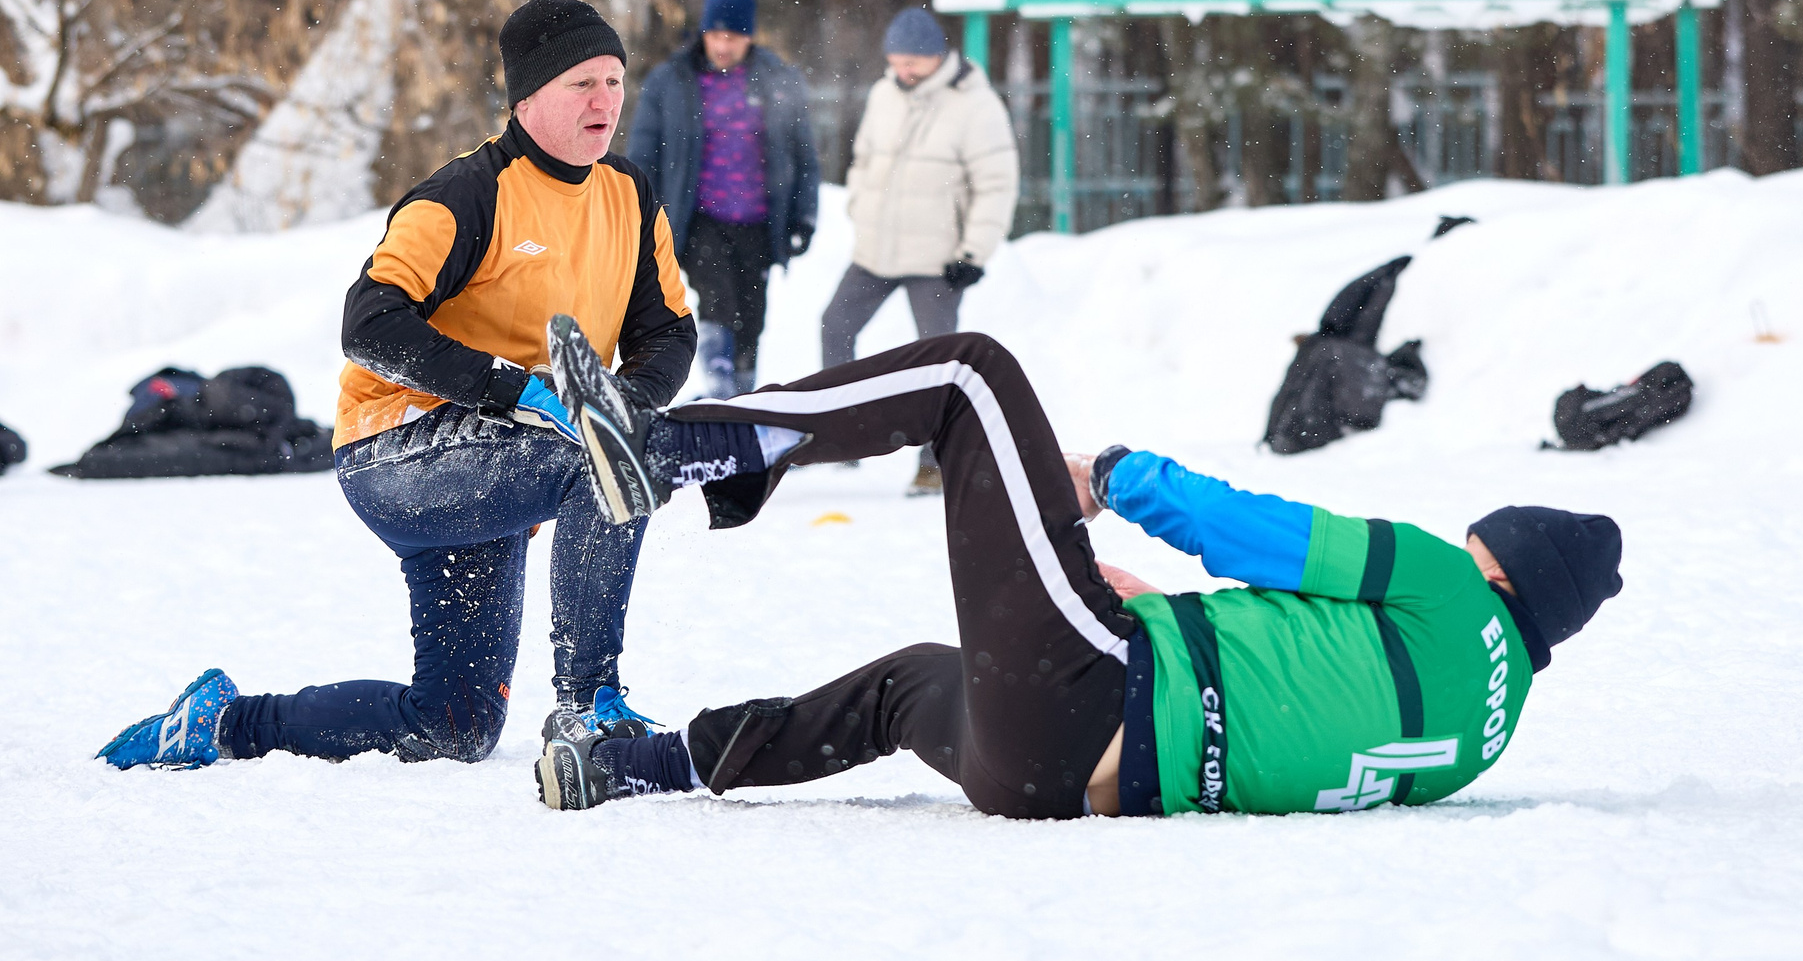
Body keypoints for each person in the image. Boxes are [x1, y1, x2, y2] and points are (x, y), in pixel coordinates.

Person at [523, 326, 1623, 819]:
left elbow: (1261, 535)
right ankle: (639, 768)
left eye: (1483, 541)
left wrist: (1119, 476)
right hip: (1052, 780)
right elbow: (1302, 707)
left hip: (1096, 689)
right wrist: (1166, 618)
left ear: (1506, 568)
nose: (1467, 547)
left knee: (969, 375)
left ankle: (682, 449)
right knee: (907, 683)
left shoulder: (1448, 585)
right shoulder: (1483, 734)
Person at [95, 0, 782, 773]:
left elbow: (669, 332)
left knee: (454, 725)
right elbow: (370, 322)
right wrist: (510, 388)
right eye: (582, 82)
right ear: (527, 99)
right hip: (397, 451)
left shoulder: (630, 195)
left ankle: (223, 723)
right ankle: (589, 703)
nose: (605, 100)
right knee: (603, 460)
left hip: (505, 459)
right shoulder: (467, 194)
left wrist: (629, 397)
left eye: (615, 81)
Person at [823, 6, 1020, 495]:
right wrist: (859, 206)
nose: (903, 70)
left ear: (937, 57)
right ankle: (840, 436)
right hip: (876, 249)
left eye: (912, 61)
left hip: (938, 260)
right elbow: (863, 159)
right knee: (835, 325)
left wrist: (974, 253)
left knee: (938, 362)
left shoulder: (976, 105)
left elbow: (996, 184)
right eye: (896, 61)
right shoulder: (884, 93)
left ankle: (933, 464)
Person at [626, 0, 819, 399]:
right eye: (716, 35)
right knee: (718, 301)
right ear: (703, 34)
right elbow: (643, 154)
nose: (723, 46)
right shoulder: (672, 80)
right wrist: (641, 215)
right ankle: (718, 387)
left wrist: (804, 216)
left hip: (758, 221)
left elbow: (803, 154)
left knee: (752, 313)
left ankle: (742, 397)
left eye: (733, 37)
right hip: (699, 219)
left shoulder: (776, 79)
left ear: (749, 36)